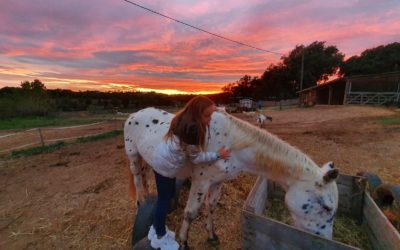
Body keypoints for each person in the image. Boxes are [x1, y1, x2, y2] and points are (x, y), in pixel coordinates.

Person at [147, 95, 230, 250]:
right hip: (165, 166)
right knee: (164, 199)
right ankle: (159, 236)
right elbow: (197, 158)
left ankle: (155, 228)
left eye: (212, 115)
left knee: (168, 196)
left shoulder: (181, 118)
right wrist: (218, 154)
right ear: (197, 114)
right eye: (207, 115)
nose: (210, 119)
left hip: (161, 158)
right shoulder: (192, 130)